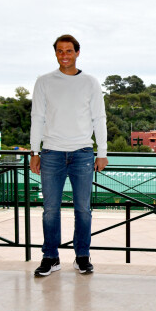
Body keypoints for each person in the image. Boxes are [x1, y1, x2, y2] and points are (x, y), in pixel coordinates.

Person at [30, 34, 108, 277]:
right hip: (51, 153)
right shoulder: (44, 82)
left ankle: (82, 256)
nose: (65, 55)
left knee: (83, 209)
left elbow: (99, 118)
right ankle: (50, 257)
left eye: (69, 51)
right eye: (60, 51)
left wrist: (102, 152)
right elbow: (37, 118)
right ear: (56, 54)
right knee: (50, 209)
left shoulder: (90, 83)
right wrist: (34, 151)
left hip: (83, 153)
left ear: (77, 53)